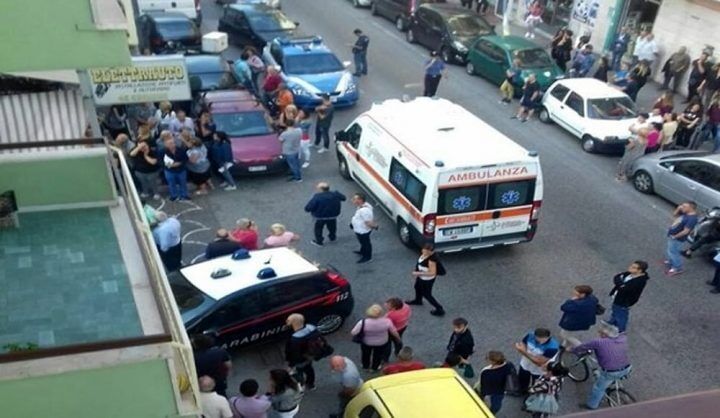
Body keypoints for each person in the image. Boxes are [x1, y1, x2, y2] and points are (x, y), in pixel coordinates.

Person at [575, 322, 631, 411]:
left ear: (605, 334)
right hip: (627, 367)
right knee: (613, 373)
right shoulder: (623, 338)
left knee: (598, 388)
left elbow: (583, 347)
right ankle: (615, 387)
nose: (599, 334)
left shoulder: (598, 342)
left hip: (611, 371)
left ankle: (591, 405)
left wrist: (574, 350)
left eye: (600, 333)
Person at [351, 304, 400, 371]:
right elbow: (393, 331)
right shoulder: (387, 321)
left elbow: (353, 332)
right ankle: (375, 367)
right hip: (382, 342)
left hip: (367, 342)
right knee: (378, 355)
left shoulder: (363, 322)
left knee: (366, 354)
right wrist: (398, 338)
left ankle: (365, 365)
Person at [607, 260, 649, 333]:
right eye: (631, 266)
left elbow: (624, 288)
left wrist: (620, 284)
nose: (630, 268)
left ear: (639, 271)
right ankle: (612, 322)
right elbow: (616, 277)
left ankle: (621, 330)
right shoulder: (629, 274)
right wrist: (621, 284)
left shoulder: (638, 282)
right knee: (615, 311)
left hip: (623, 301)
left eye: (633, 267)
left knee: (621, 316)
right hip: (617, 297)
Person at [514, 328, 560, 394]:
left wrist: (523, 352)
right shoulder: (530, 335)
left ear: (548, 337)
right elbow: (523, 344)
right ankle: (522, 391)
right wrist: (531, 356)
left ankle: (533, 397)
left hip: (539, 370)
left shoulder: (552, 347)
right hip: (525, 364)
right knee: (522, 379)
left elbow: (539, 362)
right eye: (537, 338)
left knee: (536, 385)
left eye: (541, 339)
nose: (539, 341)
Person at [406, 244, 445, 316]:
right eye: (423, 250)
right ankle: (418, 300)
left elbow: (432, 273)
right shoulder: (424, 254)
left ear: (431, 252)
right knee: (417, 287)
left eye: (426, 252)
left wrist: (418, 273)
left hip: (427, 280)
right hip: (421, 277)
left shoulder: (431, 260)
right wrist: (418, 272)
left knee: (427, 295)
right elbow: (419, 263)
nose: (424, 253)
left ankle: (439, 309)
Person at [305, 182, 346, 246]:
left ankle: (319, 241)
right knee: (332, 227)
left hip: (320, 217)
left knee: (318, 229)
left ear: (321, 189)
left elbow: (308, 208)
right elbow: (344, 198)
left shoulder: (317, 196)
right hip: (333, 215)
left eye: (318, 188)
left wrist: (309, 210)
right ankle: (332, 237)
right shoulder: (335, 194)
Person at [285, 313, 318, 390]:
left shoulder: (295, 339)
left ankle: (301, 385)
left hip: (300, 359)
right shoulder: (311, 329)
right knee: (309, 370)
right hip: (310, 355)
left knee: (298, 371)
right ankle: (311, 384)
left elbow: (293, 354)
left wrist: (290, 365)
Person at [666, 202, 699, 276]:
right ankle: (671, 262)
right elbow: (674, 215)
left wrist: (675, 236)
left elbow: (686, 231)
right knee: (670, 250)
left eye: (684, 206)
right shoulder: (686, 213)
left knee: (674, 253)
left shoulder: (692, 219)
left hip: (677, 238)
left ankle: (677, 268)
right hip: (673, 235)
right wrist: (678, 209)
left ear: (691, 208)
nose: (681, 207)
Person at [161, 130, 190, 201]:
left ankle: (184, 195)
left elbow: (185, 159)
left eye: (173, 143)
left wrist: (178, 163)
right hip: (169, 170)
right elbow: (160, 161)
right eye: (170, 144)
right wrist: (168, 165)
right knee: (171, 183)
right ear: (166, 144)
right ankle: (174, 195)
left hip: (181, 170)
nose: (172, 145)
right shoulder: (162, 151)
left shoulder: (180, 150)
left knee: (183, 183)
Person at [350, 193, 377, 263]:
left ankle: (367, 257)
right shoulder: (361, 206)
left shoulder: (365, 211)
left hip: (363, 231)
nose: (352, 200)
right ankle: (362, 251)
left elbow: (368, 222)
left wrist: (375, 226)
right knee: (362, 242)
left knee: (366, 243)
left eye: (354, 199)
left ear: (360, 200)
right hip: (360, 229)